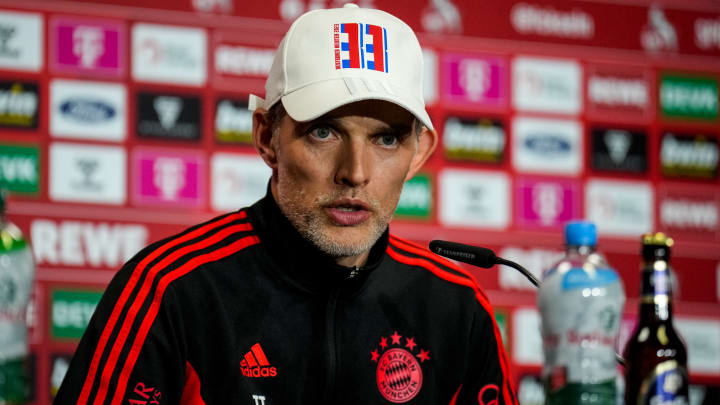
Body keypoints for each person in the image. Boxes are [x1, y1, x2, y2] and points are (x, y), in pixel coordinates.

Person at [55, 4, 517, 404]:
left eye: (387, 139)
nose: (355, 172)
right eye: (324, 132)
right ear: (266, 137)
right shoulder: (167, 291)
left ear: (418, 152)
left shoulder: (459, 309)